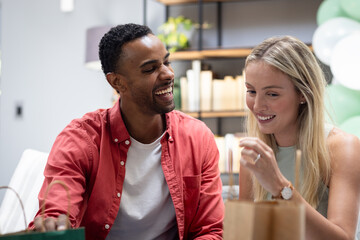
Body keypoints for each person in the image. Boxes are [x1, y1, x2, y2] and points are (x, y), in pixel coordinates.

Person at [29, 23, 224, 240]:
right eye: (150, 69)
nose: (168, 74)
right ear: (117, 82)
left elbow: (210, 230)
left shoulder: (197, 137)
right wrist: (54, 226)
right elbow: (57, 211)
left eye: (167, 62)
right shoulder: (80, 139)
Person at [239, 35, 360, 239]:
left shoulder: (342, 147)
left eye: (272, 94)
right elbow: (244, 233)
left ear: (303, 94)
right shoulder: (254, 155)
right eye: (251, 91)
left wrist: (280, 188)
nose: (257, 106)